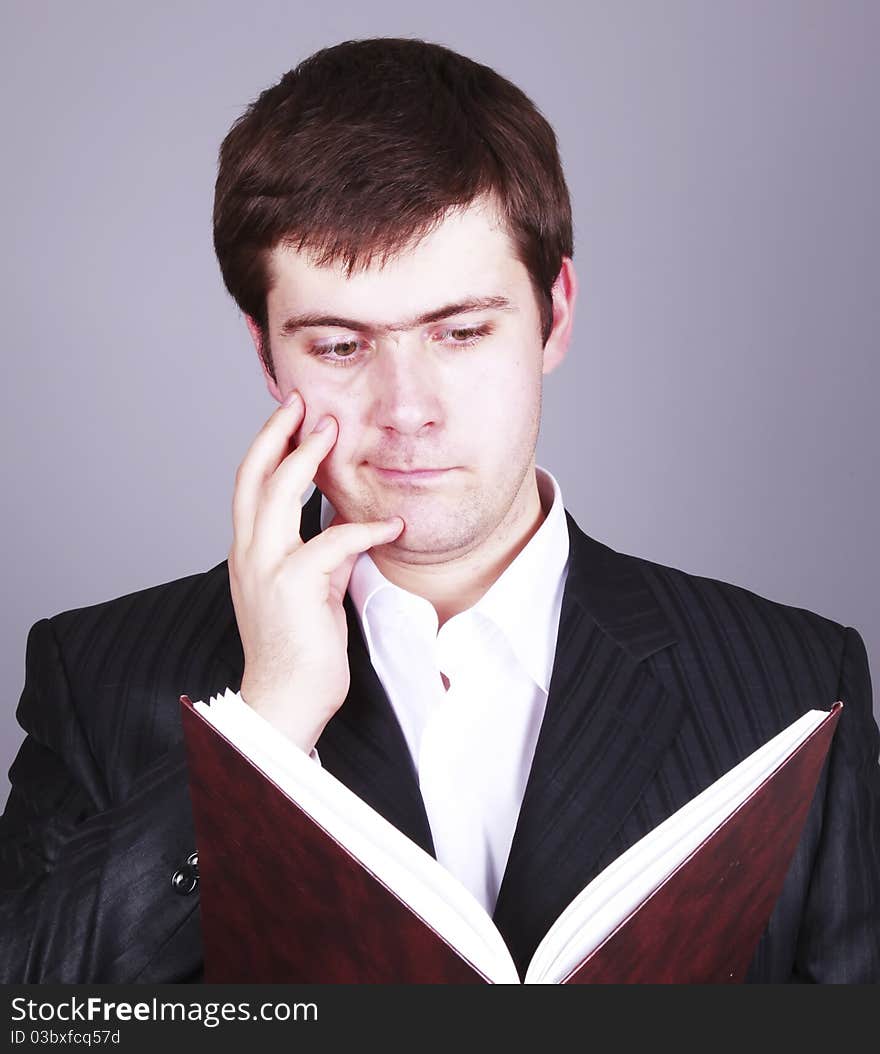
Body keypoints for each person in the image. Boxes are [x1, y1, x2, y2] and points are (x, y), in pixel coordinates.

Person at [1, 37, 878, 984]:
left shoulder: (793, 682)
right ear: (266, 357)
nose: (407, 408)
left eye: (460, 333)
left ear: (556, 312)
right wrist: (261, 733)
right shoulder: (95, 677)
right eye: (339, 347)